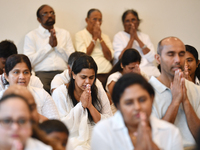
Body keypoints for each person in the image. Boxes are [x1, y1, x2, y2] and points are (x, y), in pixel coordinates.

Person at [91, 73, 183, 150]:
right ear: (118, 106)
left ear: (152, 99)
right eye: (129, 103)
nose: (137, 107)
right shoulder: (103, 131)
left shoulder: (170, 132)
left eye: (142, 100)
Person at [52, 55, 112, 150]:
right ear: (73, 75)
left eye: (91, 77)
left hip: (96, 133)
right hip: (72, 137)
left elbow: (109, 122)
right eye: (83, 77)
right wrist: (81, 106)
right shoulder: (60, 93)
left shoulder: (98, 90)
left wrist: (90, 106)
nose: (88, 82)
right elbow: (61, 126)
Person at [149, 37, 200, 149]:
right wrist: (175, 102)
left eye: (182, 54)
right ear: (158, 58)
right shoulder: (145, 92)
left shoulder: (196, 90)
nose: (177, 59)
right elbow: (156, 139)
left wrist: (185, 101)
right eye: (171, 54)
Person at [24, 4, 75, 93]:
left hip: (62, 73)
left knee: (69, 92)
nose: (50, 15)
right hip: (42, 74)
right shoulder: (31, 36)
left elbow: (72, 59)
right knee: (41, 94)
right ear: (39, 19)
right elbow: (29, 61)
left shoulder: (64, 33)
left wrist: (57, 47)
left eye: (52, 13)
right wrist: (49, 47)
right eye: (45, 13)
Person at [1, 54, 59, 120]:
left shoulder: (42, 95)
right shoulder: (1, 97)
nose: (22, 77)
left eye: (26, 72)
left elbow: (55, 126)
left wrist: (31, 113)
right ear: (6, 75)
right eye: (16, 72)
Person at [113, 9, 160, 77]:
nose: (131, 23)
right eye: (127, 21)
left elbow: (152, 58)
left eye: (133, 20)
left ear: (138, 22)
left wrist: (137, 38)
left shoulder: (145, 36)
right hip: (132, 70)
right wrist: (132, 39)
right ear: (123, 24)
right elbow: (120, 58)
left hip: (150, 70)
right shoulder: (119, 36)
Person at [75, 8, 114, 87]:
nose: (98, 23)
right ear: (87, 20)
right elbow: (83, 56)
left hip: (108, 72)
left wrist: (100, 38)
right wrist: (95, 38)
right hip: (92, 73)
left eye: (100, 20)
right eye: (95, 19)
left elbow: (109, 57)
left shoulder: (105, 37)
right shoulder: (80, 35)